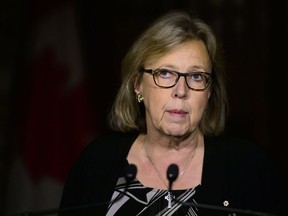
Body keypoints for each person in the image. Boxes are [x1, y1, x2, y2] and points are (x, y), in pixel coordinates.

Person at [58, 9, 288, 216]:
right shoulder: (97, 161)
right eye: (166, 73)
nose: (181, 90)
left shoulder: (248, 167)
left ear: (209, 93)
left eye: (196, 76)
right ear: (138, 84)